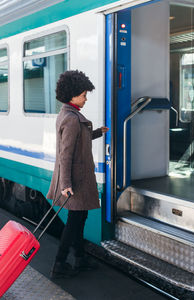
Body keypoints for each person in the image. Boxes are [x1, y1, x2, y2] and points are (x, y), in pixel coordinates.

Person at [46, 70, 109, 279]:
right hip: (76, 179)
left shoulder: (69, 114)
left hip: (77, 177)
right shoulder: (72, 118)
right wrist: (65, 184)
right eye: (83, 95)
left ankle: (80, 258)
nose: (85, 98)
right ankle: (60, 263)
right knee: (74, 221)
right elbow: (65, 154)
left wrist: (99, 132)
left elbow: (80, 139)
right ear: (72, 95)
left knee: (80, 218)